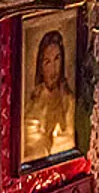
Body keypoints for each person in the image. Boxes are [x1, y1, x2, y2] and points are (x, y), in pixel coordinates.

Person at [26, 29, 76, 158]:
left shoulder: (68, 99)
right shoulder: (34, 99)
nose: (54, 68)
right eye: (47, 62)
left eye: (57, 59)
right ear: (41, 67)